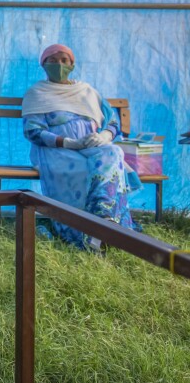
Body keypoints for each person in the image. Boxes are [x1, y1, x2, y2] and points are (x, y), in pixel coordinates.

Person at [22, 43, 141, 251]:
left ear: (72, 64)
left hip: (92, 146)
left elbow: (112, 122)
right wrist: (67, 142)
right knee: (81, 170)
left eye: (64, 60)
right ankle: (87, 229)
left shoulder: (88, 91)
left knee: (113, 152)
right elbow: (33, 131)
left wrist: (104, 136)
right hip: (56, 151)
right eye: (53, 60)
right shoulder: (37, 93)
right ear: (43, 64)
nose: (58, 64)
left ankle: (102, 217)